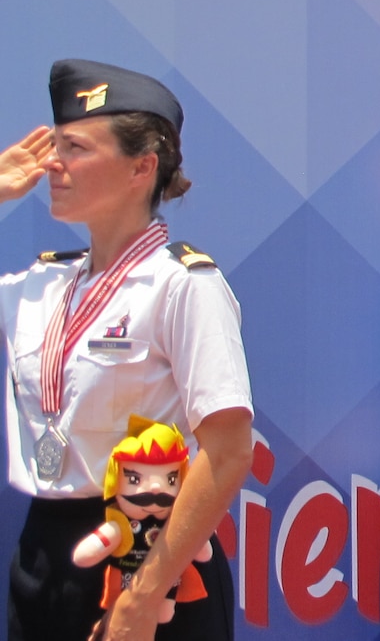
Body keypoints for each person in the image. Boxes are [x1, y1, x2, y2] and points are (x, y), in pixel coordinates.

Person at [0, 60, 253, 641]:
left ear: (143, 166)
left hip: (148, 554)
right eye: (53, 145)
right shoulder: (39, 287)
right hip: (42, 557)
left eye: (76, 148)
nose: (51, 164)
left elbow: (229, 450)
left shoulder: (184, 286)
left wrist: (144, 595)